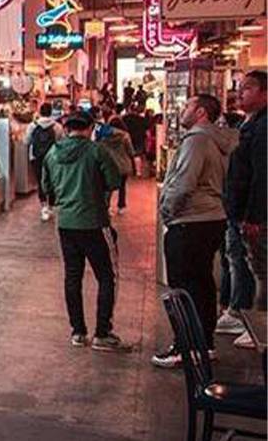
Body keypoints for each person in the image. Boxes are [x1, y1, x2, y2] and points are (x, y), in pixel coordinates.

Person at [152, 94, 238, 368]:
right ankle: (203, 343)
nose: (183, 109)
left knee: (184, 287)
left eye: (188, 105)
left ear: (201, 112)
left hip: (191, 220)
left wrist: (166, 210)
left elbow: (183, 183)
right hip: (211, 217)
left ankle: (185, 346)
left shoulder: (197, 140)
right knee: (201, 284)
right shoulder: (218, 140)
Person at [42, 109, 128, 351]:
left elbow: (46, 185)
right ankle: (103, 332)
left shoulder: (52, 152)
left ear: (67, 128)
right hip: (94, 222)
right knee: (106, 277)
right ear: (90, 128)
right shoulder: (96, 150)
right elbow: (113, 181)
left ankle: (78, 332)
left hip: (65, 223)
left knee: (72, 276)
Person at [224, 71, 267, 318]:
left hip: (253, 216)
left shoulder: (263, 127)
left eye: (248, 88)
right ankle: (241, 313)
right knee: (239, 261)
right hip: (239, 209)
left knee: (260, 270)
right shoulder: (248, 122)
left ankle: (258, 325)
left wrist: (253, 216)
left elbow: (262, 175)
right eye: (239, 87)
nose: (240, 92)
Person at [25, 103, 62, 222]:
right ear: (51, 112)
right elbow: (61, 142)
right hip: (53, 158)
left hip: (36, 157)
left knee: (40, 181)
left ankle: (44, 207)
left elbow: (26, 141)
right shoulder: (57, 126)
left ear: (40, 112)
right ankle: (51, 206)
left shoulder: (32, 125)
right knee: (52, 181)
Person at [95, 116, 136, 215]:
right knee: (122, 187)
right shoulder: (125, 136)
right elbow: (130, 151)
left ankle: (107, 206)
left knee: (108, 187)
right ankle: (121, 206)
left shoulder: (104, 136)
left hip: (109, 164)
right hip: (123, 165)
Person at [121, 105, 149, 177]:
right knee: (137, 154)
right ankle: (138, 172)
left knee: (131, 154)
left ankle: (132, 171)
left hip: (129, 137)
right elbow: (146, 127)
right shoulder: (141, 119)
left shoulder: (125, 118)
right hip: (139, 138)